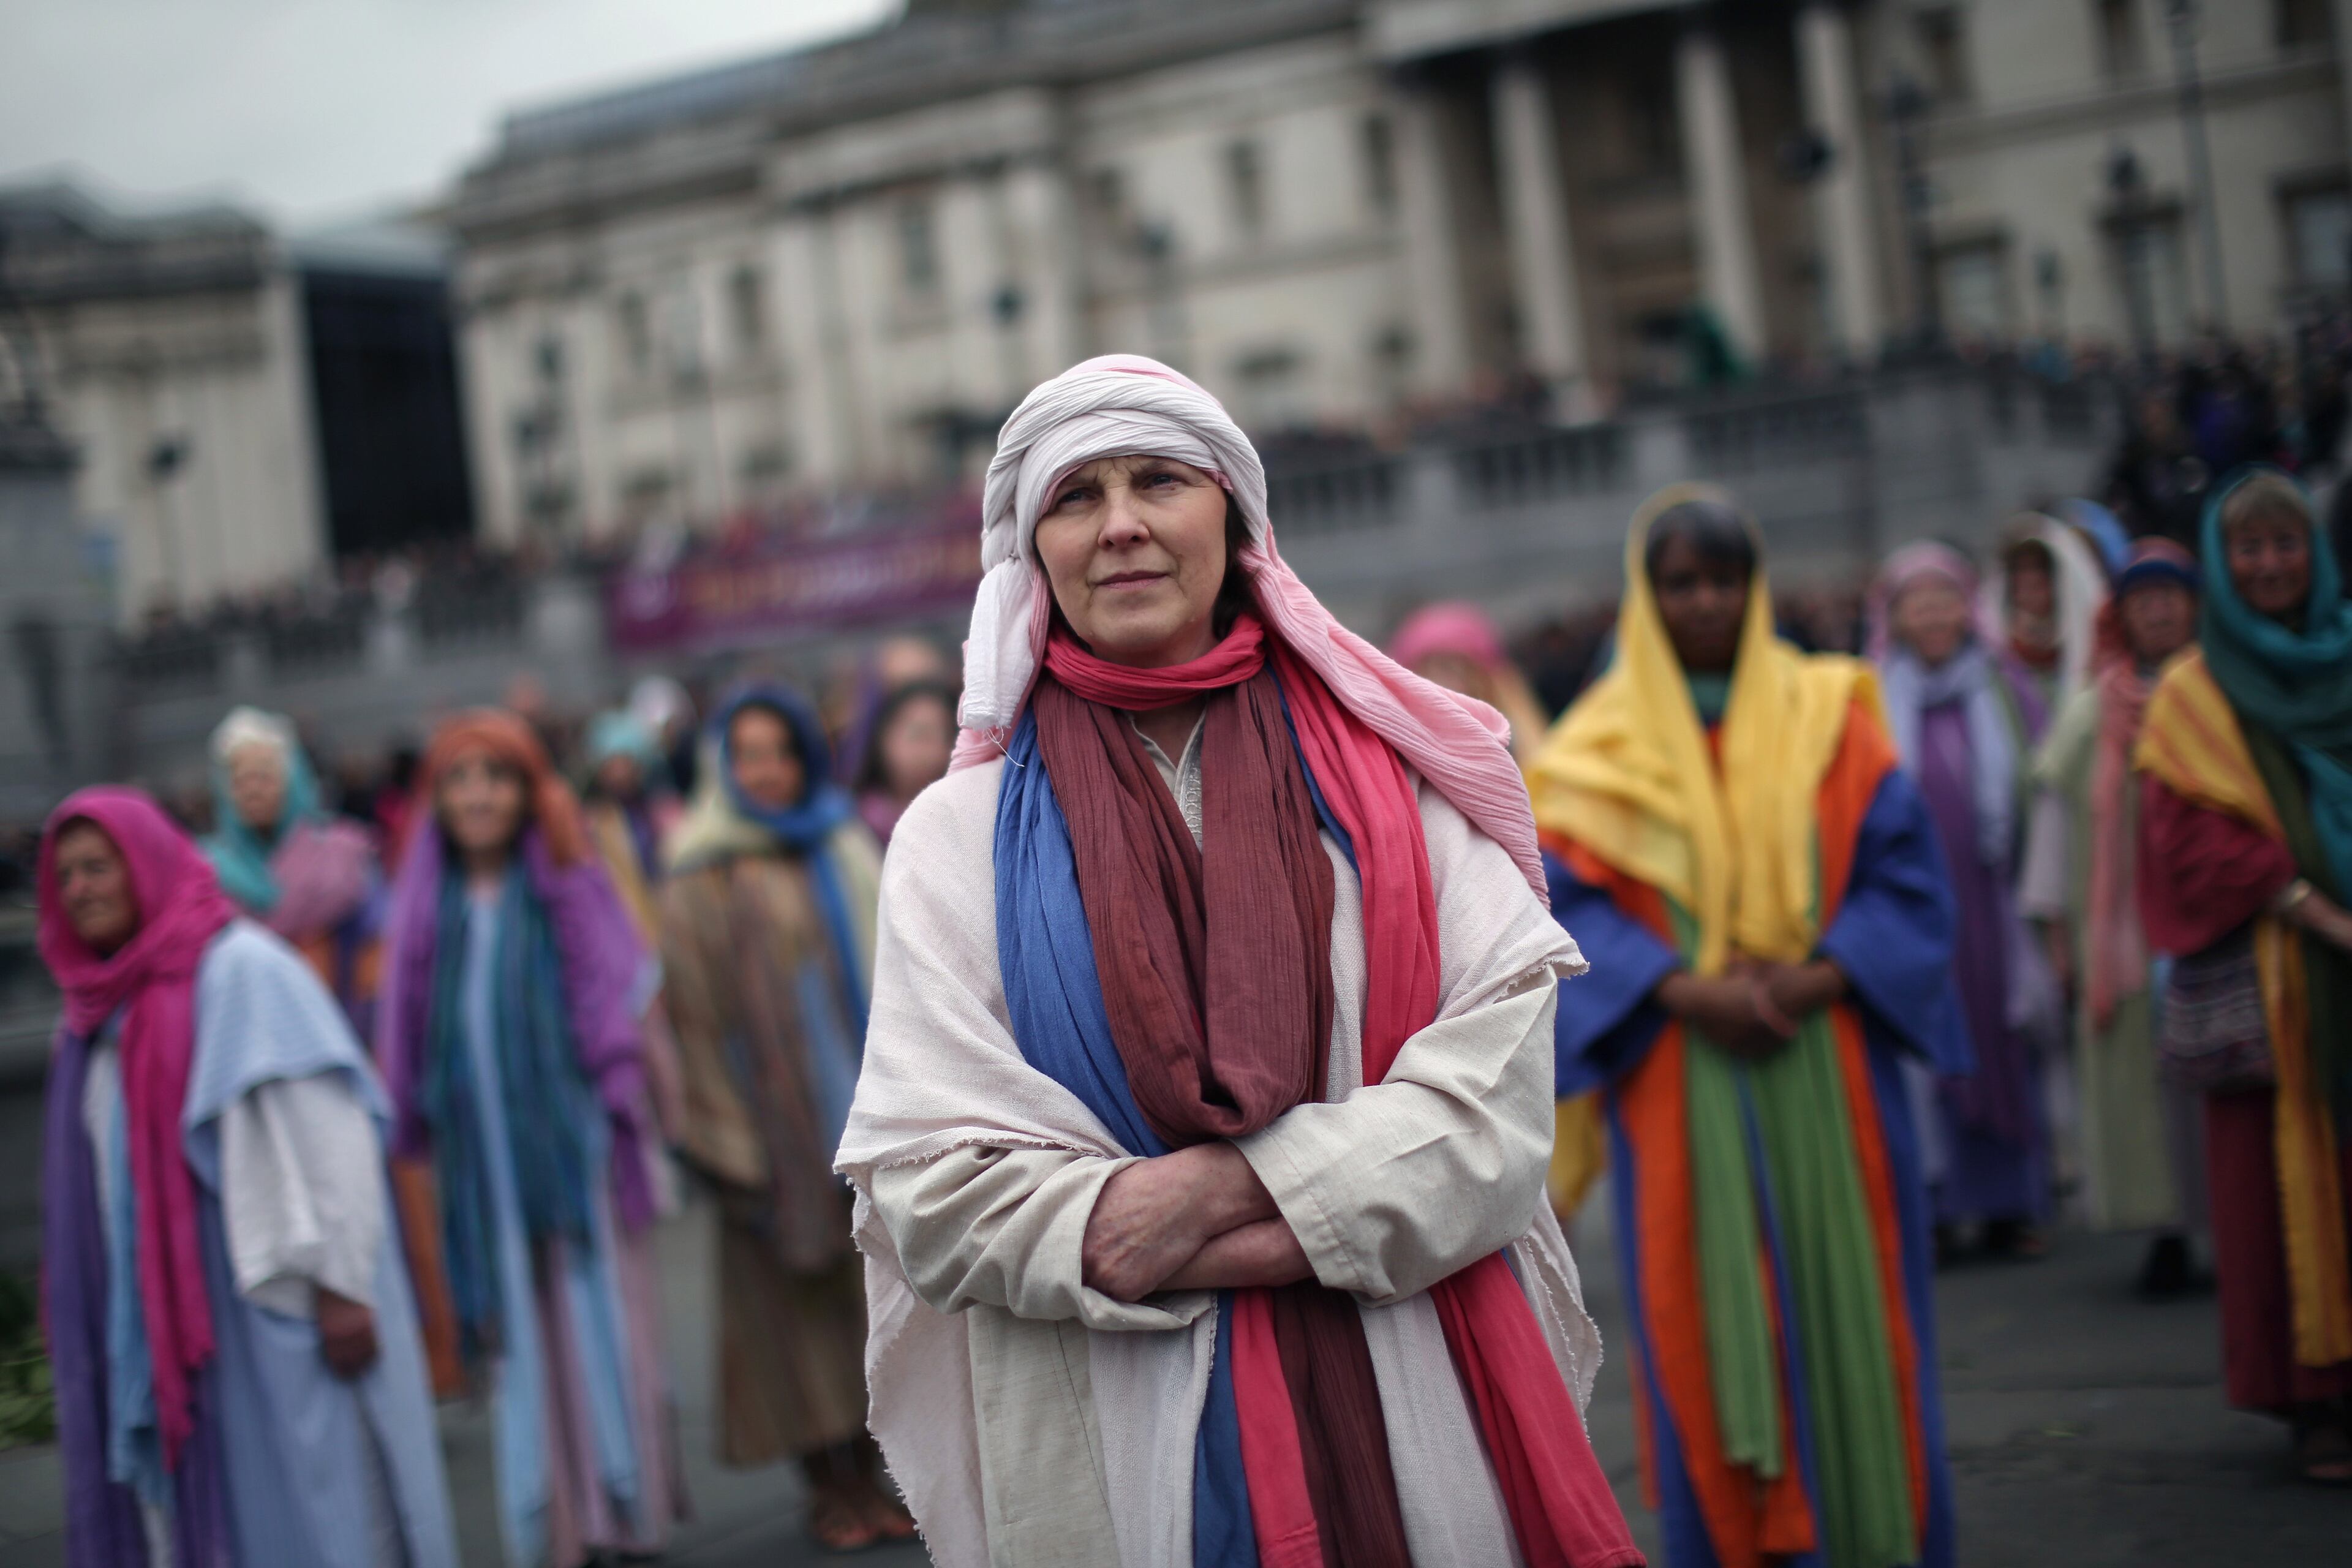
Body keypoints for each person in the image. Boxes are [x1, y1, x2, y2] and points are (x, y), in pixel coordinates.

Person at [835, 355, 1637, 1567]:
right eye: (1075, 496)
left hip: (1411, 1406)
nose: (1122, 526)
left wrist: (1187, 1201)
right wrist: (1316, 1203)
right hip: (1107, 1428)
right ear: (1032, 550)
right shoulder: (956, 840)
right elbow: (932, 1187)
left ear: (1237, 519)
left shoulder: (1393, 794)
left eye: (1159, 479)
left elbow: (1498, 1122)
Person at [1532, 487, 1959, 1568]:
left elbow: (1904, 875)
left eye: (1727, 580)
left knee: (1856, 1305)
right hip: (1680, 1063)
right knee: (1700, 1321)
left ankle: (1877, 1538)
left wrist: (1823, 975)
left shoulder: (1834, 716)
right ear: (1648, 593)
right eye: (1683, 583)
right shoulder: (1595, 748)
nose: (1708, 601)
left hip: (1831, 1053)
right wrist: (1679, 989)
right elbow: (1560, 913)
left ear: (1756, 586)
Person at [39, 786, 458, 1567]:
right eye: (64, 877)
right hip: (187, 1342)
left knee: (329, 1518)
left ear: (149, 863)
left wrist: (340, 1289)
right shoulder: (93, 1018)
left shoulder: (242, 972)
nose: (80, 890)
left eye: (99, 867)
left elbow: (328, 1142)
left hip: (285, 1318)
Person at [375, 710, 684, 1566]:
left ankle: (624, 1506)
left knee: (595, 1318)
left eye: (496, 776)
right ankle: (555, 1523)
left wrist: (618, 1096)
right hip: (485, 1170)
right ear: (435, 800)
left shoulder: (568, 880)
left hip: (573, 1156)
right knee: (519, 1335)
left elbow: (621, 993)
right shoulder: (428, 907)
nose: (478, 796)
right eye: (459, 779)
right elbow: (406, 1028)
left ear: (527, 789)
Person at [2134, 468, 2352, 1484]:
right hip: (2278, 982)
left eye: (2287, 544)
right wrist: (2315, 909)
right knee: (2287, 1195)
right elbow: (2185, 842)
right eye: (2250, 549)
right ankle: (2320, 1402)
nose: (2271, 566)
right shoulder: (2191, 692)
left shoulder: (2344, 654)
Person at [656, 684, 909, 1550]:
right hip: (765, 1138)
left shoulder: (838, 847)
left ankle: (876, 1478)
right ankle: (827, 1487)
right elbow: (687, 1018)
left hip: (858, 1122)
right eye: (748, 754)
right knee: (791, 1327)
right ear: (722, 768)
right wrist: (729, 1145)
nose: (767, 771)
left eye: (781, 752)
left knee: (868, 1314)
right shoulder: (697, 873)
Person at [2021, 541, 2209, 1294]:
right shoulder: (2093, 711)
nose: (2159, 609)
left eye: (2172, 594)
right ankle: (2164, 1231)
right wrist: (2060, 935)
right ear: (2121, 614)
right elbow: (2055, 828)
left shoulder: (2221, 694)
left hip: (2209, 916)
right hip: (2121, 930)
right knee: (2140, 1089)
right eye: (2143, 597)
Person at [1873, 543, 2056, 1258]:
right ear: (1895, 617)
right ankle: (1941, 1208)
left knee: (2001, 1037)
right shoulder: (1876, 698)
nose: (1934, 615)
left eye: (1944, 599)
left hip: (1994, 900)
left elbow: (2041, 791)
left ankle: (2012, 1203)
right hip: (1915, 908)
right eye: (1918, 602)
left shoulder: (2005, 690)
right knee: (1927, 1052)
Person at [199, 706, 382, 1013]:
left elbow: (377, 938)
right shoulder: (209, 870)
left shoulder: (342, 852)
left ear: (293, 779)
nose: (253, 791)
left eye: (264, 777)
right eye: (240, 781)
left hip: (343, 1012)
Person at [1387, 601, 1553, 766]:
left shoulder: (1508, 731)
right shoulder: (1408, 738)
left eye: (1455, 669)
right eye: (1433, 669)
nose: (1444, 682)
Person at [579, 708, 679, 943]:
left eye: (626, 764)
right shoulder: (592, 821)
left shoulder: (661, 813)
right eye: (612, 765)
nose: (619, 774)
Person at [848, 678, 958, 847]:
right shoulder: (850, 825)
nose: (926, 753)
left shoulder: (962, 822)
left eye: (940, 737)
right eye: (918, 735)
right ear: (883, 737)